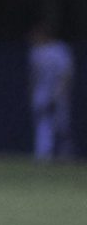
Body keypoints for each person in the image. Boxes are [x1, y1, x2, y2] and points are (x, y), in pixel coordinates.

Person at [29, 24, 74, 161]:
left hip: (58, 93)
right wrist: (32, 92)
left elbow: (66, 74)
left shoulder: (60, 50)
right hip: (41, 93)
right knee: (43, 126)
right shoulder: (35, 51)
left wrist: (59, 93)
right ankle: (43, 156)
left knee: (62, 126)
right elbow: (33, 75)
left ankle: (65, 155)